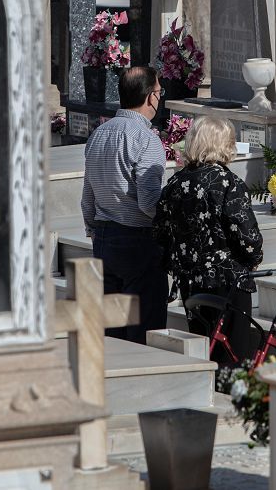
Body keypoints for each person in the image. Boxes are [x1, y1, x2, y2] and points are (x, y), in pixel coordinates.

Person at [153, 116, 263, 364]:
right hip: (228, 280)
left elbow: (160, 231)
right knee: (231, 351)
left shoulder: (175, 183)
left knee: (204, 346)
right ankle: (229, 396)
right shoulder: (228, 182)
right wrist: (254, 259)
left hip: (191, 281)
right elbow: (247, 235)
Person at [81, 66, 168, 343]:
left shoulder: (99, 134)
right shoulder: (146, 139)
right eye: (159, 91)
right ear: (150, 97)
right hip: (138, 241)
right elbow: (148, 203)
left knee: (112, 334)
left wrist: (93, 229)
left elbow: (88, 197)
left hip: (104, 239)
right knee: (144, 331)